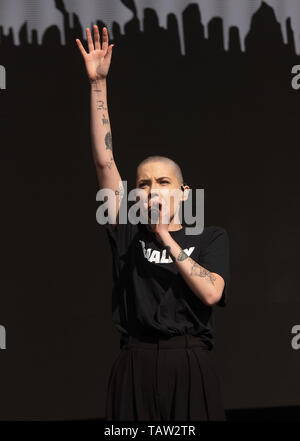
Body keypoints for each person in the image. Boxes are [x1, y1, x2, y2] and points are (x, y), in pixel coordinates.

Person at [76, 25, 230, 421]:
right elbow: (104, 161)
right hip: (136, 363)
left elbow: (211, 293)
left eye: (164, 182)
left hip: (189, 361)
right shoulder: (127, 230)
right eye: (143, 183)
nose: (152, 189)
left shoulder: (209, 236)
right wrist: (98, 84)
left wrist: (166, 236)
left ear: (183, 192)